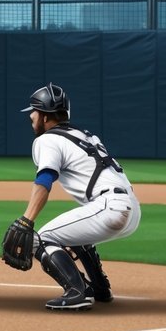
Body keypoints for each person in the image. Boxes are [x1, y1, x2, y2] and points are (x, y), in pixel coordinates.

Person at [14, 84, 140, 310]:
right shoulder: (87, 135)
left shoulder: (47, 140)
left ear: (44, 116)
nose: (31, 116)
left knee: (40, 238)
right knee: (74, 234)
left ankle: (77, 291)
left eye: (34, 111)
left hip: (110, 206)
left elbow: (45, 180)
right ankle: (100, 288)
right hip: (131, 209)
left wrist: (27, 219)